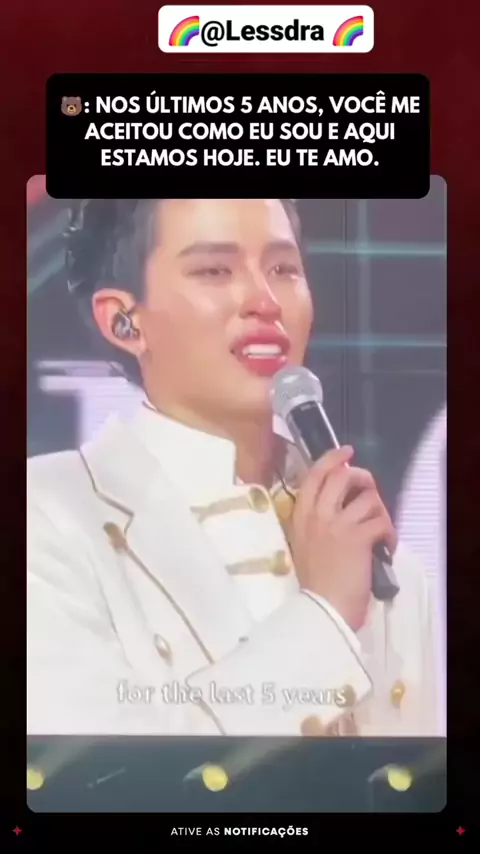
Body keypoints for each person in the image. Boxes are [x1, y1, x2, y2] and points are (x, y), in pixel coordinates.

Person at [27, 198, 439, 736]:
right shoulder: (47, 516)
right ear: (124, 322)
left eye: (283, 269)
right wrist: (325, 615)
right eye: (214, 271)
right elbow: (101, 771)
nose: (264, 301)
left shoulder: (376, 554)